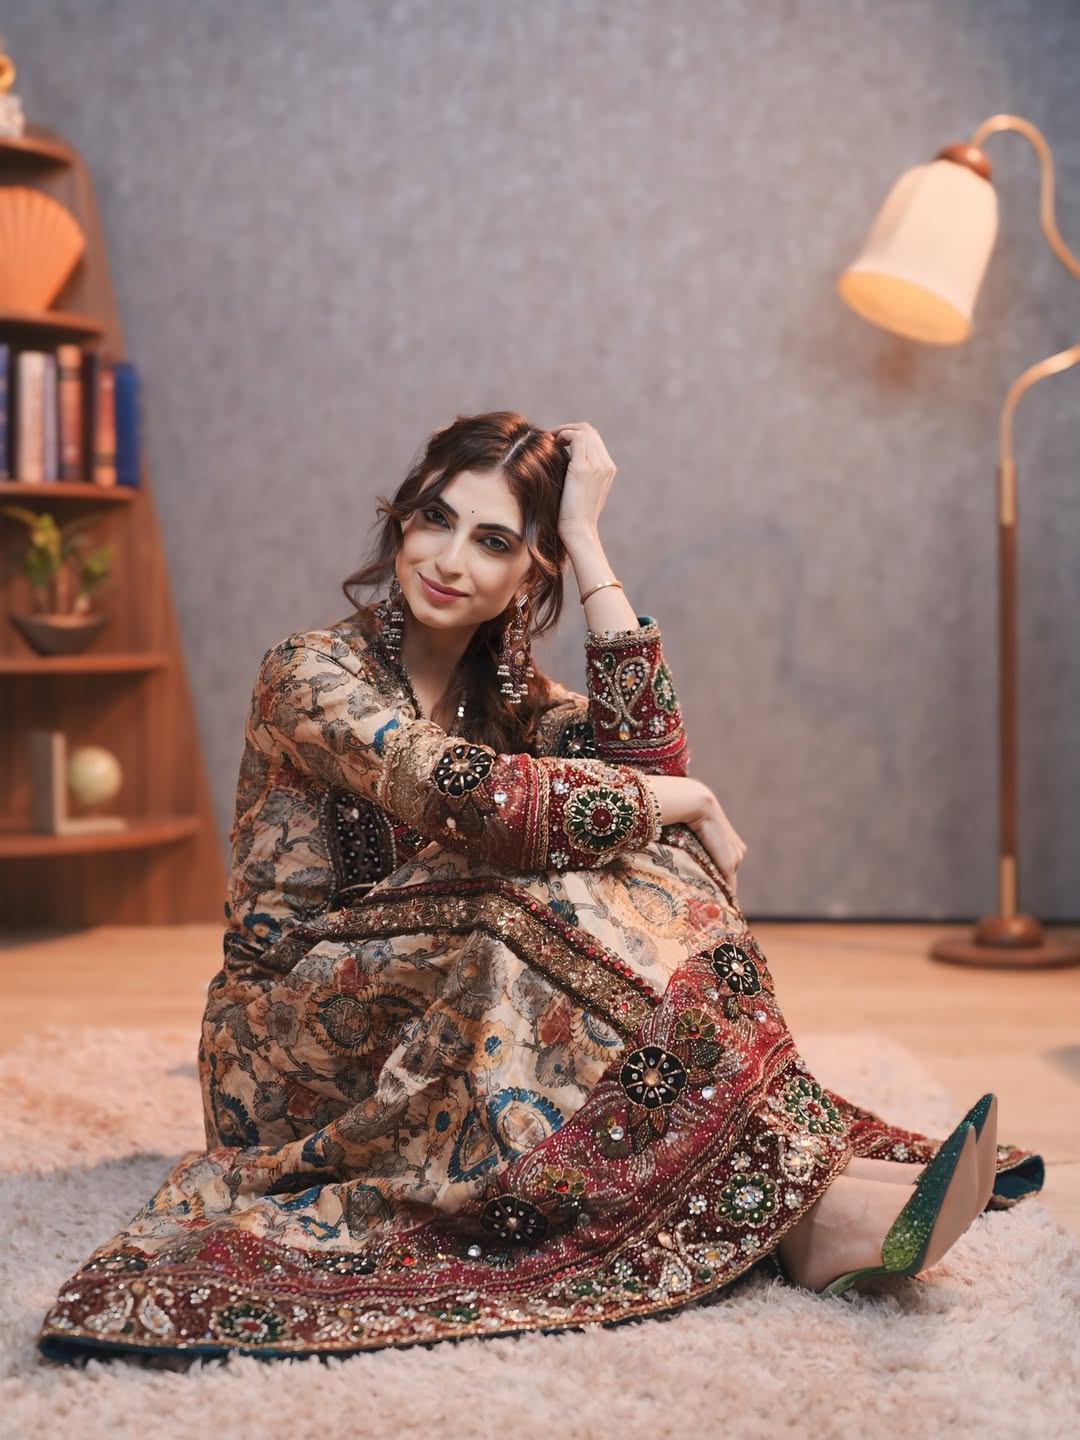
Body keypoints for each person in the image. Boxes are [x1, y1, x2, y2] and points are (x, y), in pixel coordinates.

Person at [37, 413, 1044, 1363]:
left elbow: (647, 761)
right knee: (519, 874)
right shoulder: (309, 672)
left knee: (642, 842)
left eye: (492, 541)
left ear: (530, 571)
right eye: (434, 519)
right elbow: (471, 796)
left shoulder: (509, 694)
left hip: (436, 1016)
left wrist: (589, 545)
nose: (448, 558)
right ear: (401, 519)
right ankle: (811, 1214)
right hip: (290, 1050)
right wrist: (681, 798)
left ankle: (792, 1169)